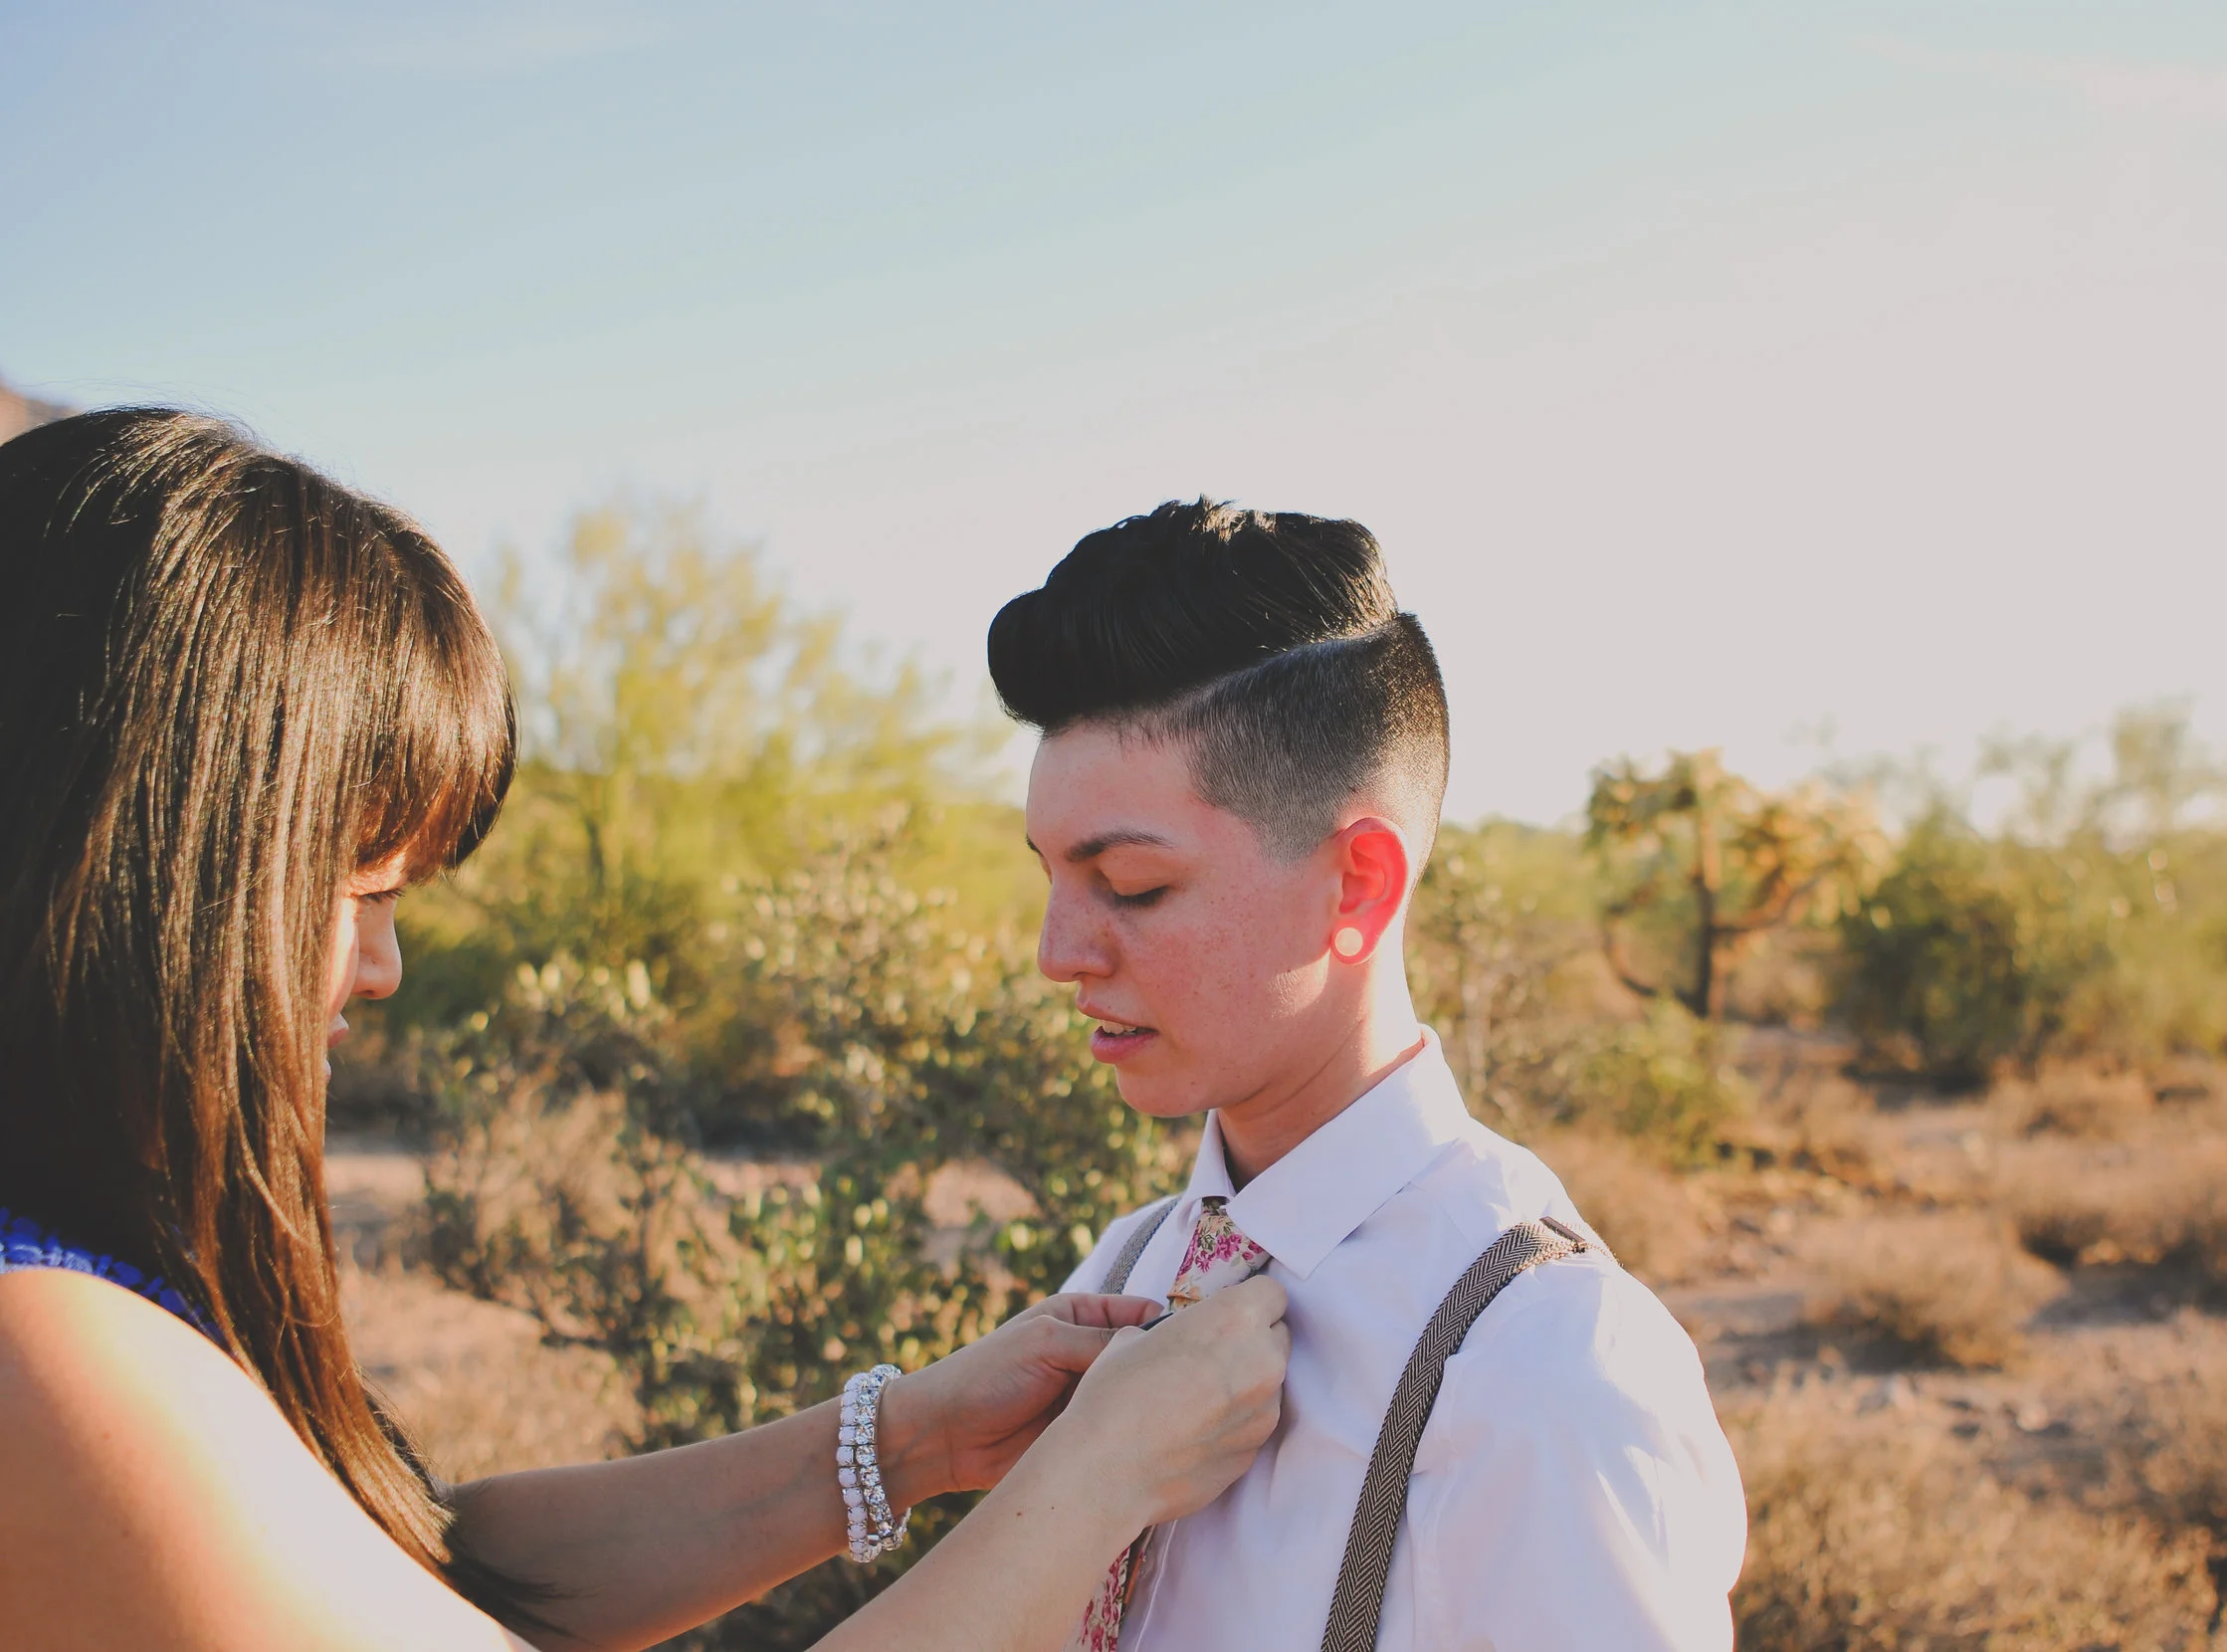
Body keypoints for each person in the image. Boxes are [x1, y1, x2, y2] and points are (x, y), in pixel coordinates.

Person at [0, 411, 1291, 1652]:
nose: (381, 968)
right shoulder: (43, 1367)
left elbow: (418, 1571)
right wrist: (1092, 1486)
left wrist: (912, 1437)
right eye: (362, 891)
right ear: (150, 866)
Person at [990, 500, 1747, 1652]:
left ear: (1357, 886)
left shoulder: (1543, 1368)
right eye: (1051, 876)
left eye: (1131, 885)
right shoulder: (1131, 1263)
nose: (1058, 953)